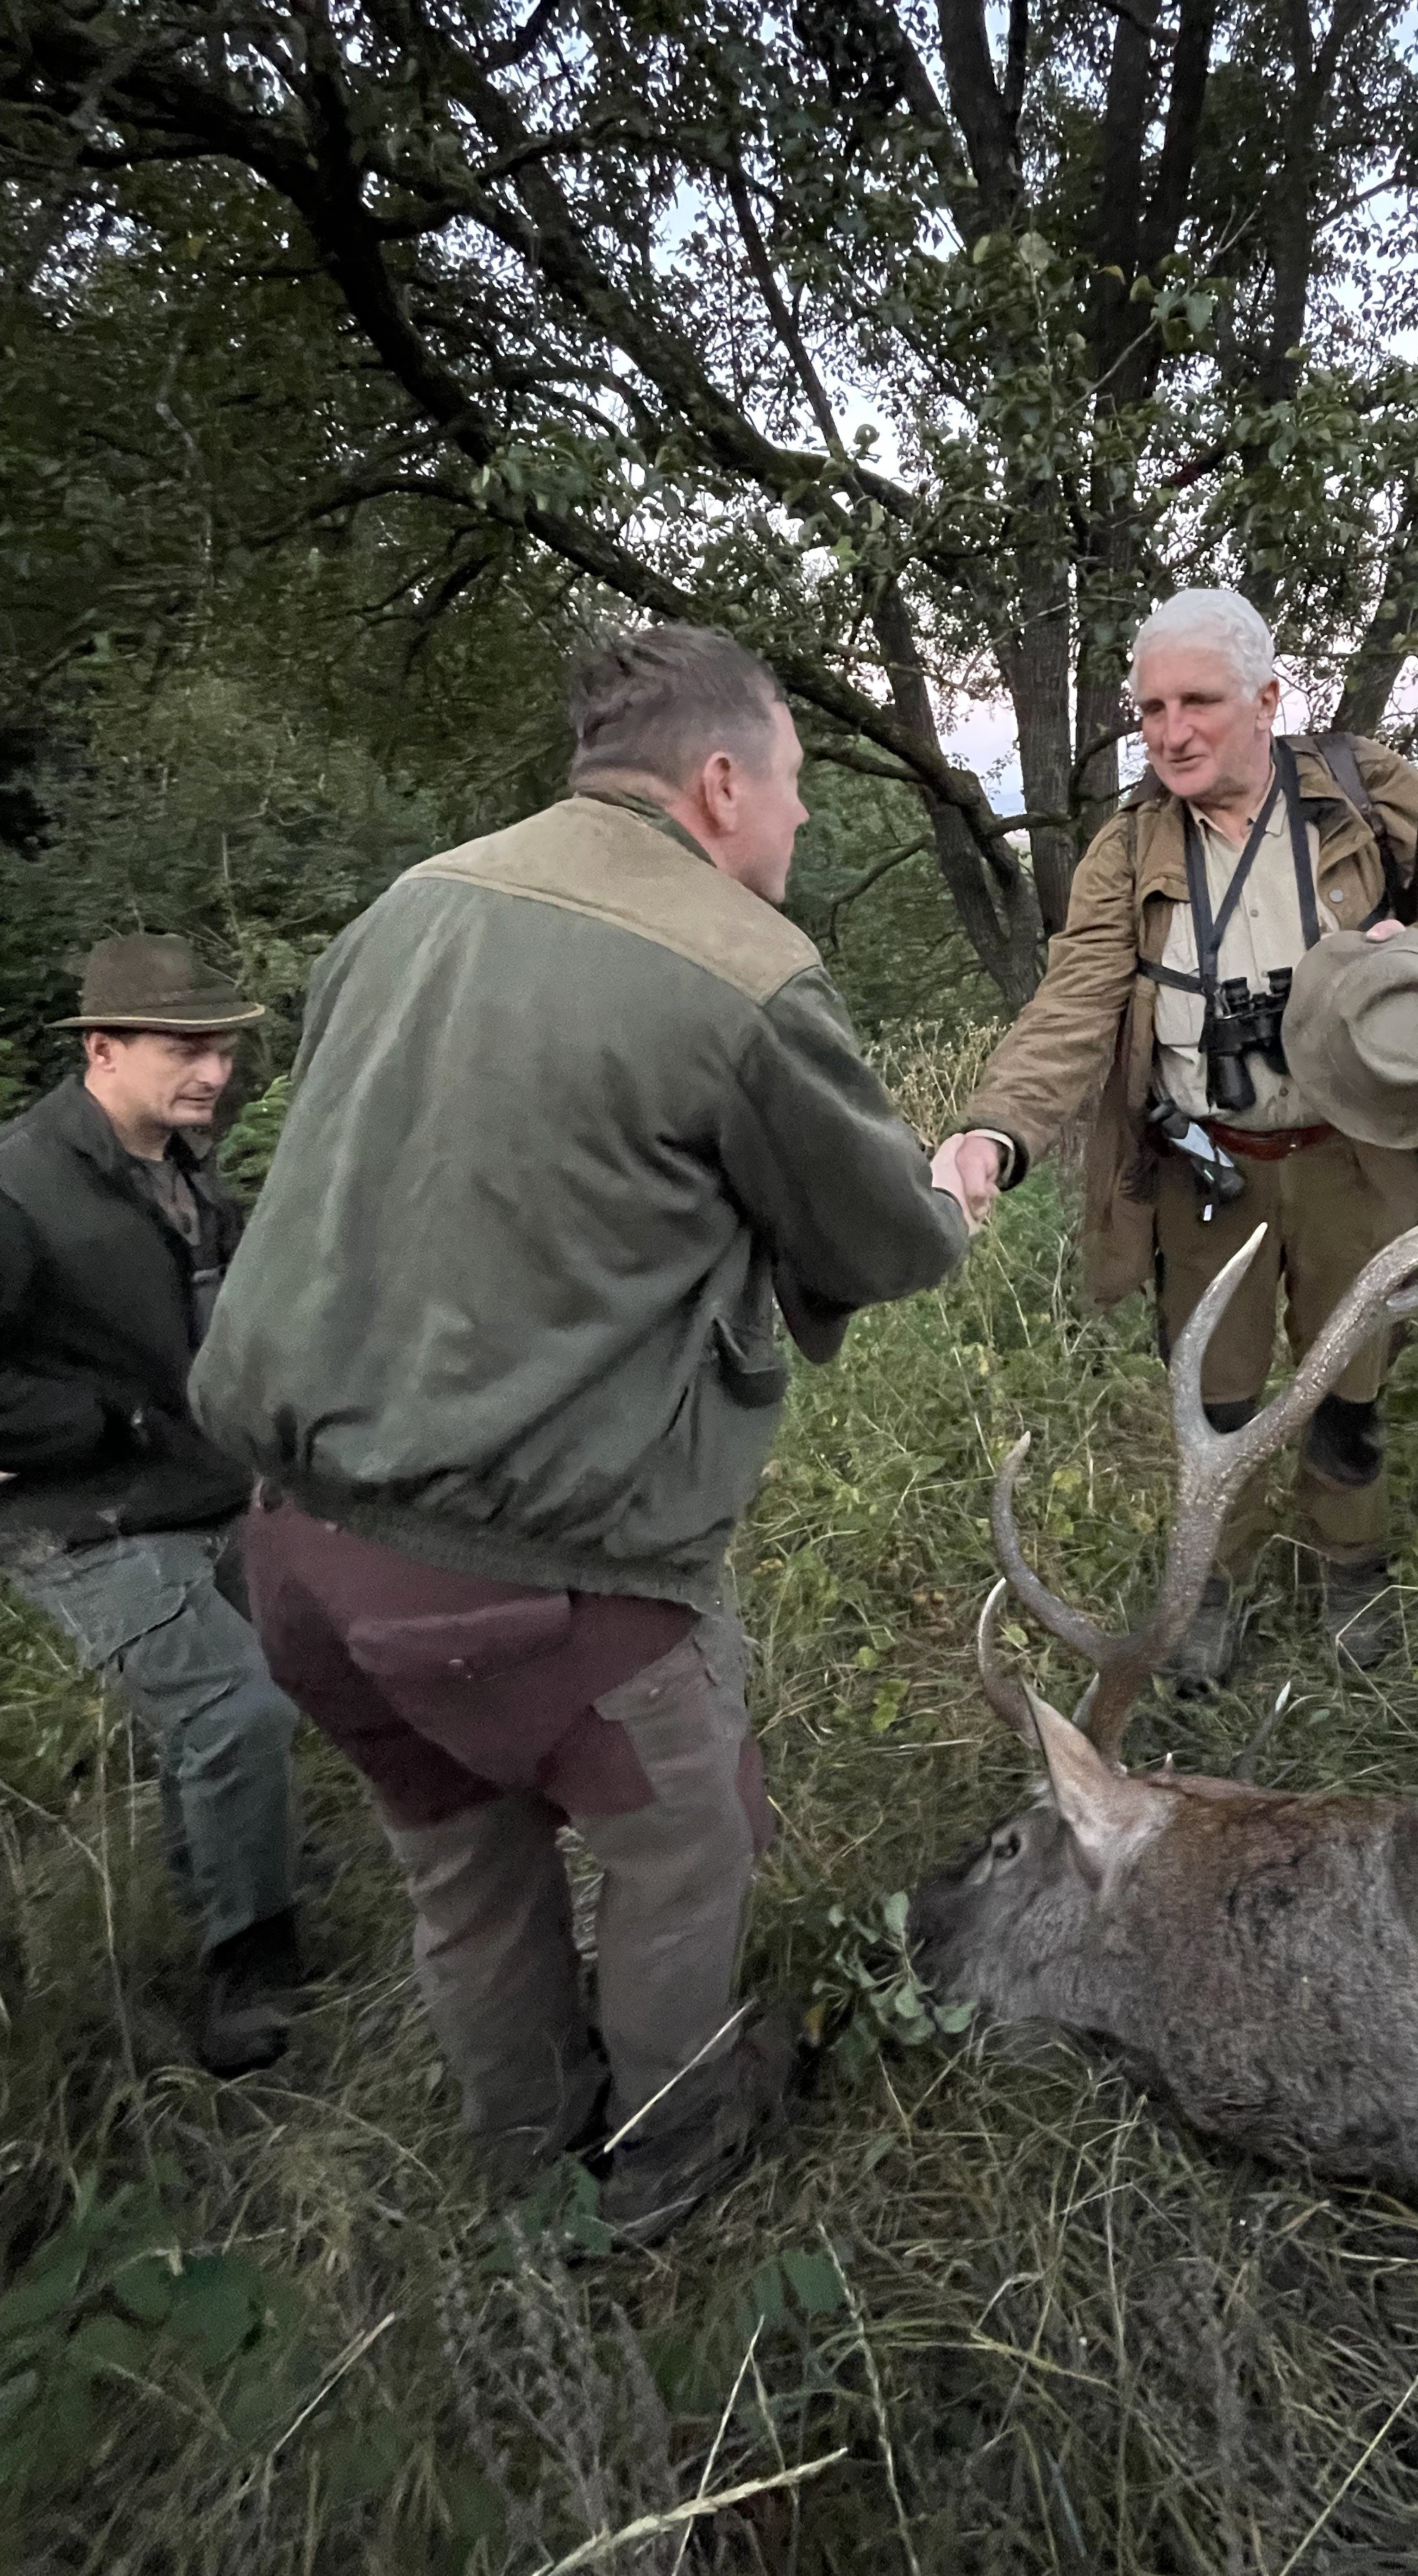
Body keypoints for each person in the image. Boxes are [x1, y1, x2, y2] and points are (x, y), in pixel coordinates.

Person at [192, 624, 971, 2244]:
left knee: (465, 1871)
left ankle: (525, 2173)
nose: (805, 823)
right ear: (717, 782)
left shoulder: (416, 901)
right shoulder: (742, 967)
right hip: (540, 1584)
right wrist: (954, 1187)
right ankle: (668, 2183)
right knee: (682, 1852)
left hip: (297, 1556)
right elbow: (882, 1243)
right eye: (798, 786)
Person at [936, 587, 1418, 1686]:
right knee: (1216, 1395)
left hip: (1359, 1155)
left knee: (1353, 1381)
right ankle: (1214, 1590)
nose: (1171, 732)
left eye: (1197, 701)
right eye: (1151, 709)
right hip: (1209, 1171)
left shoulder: (1366, 794)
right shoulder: (1132, 847)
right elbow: (1073, 1004)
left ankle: (1353, 1570)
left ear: (1266, 699)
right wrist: (993, 1134)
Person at [0, 936, 304, 2073]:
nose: (214, 1072)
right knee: (237, 1712)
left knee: (250, 1709)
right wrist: (98, 1424)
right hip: (82, 1520)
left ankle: (233, 1887)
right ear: (102, 1048)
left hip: (208, 1488)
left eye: (223, 1049)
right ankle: (248, 1975)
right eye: (186, 1048)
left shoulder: (183, 1165)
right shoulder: (20, 1184)